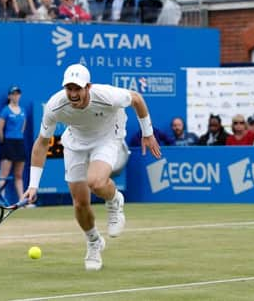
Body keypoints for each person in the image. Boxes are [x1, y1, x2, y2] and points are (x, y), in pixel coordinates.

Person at [23, 64, 162, 271]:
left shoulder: (107, 95)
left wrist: (147, 133)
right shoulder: (55, 106)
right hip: (75, 143)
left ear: (88, 87)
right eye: (69, 89)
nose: (73, 94)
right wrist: (33, 185)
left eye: (77, 89)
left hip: (107, 138)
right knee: (80, 203)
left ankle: (115, 200)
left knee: (96, 182)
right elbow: (41, 144)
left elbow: (137, 99)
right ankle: (94, 242)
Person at [0, 85, 26, 201]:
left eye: (18, 94)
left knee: (18, 175)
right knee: (4, 175)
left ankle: (21, 200)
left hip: (19, 144)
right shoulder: (5, 111)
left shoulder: (23, 111)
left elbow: (23, 128)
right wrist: (5, 143)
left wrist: (17, 138)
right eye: (13, 94)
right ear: (9, 96)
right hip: (8, 144)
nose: (16, 96)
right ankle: (2, 201)